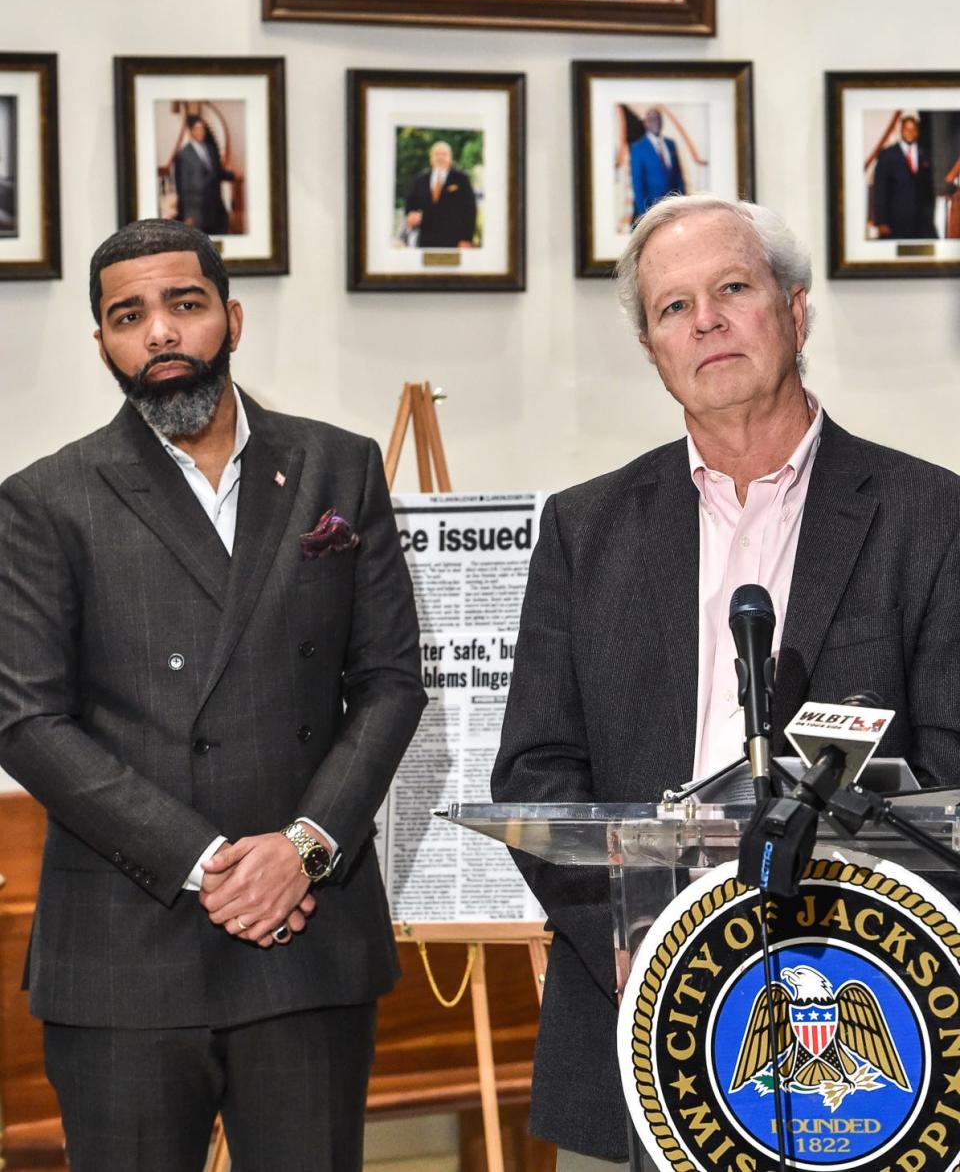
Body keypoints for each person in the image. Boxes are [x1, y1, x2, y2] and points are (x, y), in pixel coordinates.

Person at [492, 194, 960, 1168]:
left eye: (732, 288)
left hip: (867, 1004)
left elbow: (952, 766)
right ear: (655, 352)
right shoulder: (586, 531)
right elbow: (538, 771)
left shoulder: (931, 515)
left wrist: (861, 919)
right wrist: (621, 938)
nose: (703, 319)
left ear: (794, 310)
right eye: (672, 308)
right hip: (636, 1016)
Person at [0, 219, 426, 1172]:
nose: (159, 332)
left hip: (307, 933)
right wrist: (212, 863)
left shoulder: (336, 464)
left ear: (229, 317)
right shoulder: (44, 499)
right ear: (104, 342)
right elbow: (25, 720)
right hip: (125, 950)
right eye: (128, 315)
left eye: (183, 305)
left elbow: (391, 681)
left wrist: (304, 849)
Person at [871, 112, 937, 239]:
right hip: (894, 222)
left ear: (918, 132)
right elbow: (879, 190)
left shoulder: (924, 154)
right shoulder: (887, 154)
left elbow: (928, 190)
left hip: (920, 224)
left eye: (913, 129)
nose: (910, 132)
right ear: (901, 131)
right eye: (906, 129)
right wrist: (881, 221)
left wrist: (929, 217)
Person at [404, 139, 477, 248]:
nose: (440, 157)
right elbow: (410, 204)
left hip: (454, 241)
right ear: (431, 158)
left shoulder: (461, 179)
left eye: (444, 154)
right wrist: (410, 214)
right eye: (437, 154)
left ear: (450, 157)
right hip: (425, 240)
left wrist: (466, 239)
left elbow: (470, 210)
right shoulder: (420, 179)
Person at [173, 113, 235, 235]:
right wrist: (188, 215)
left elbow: (216, 172)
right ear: (191, 131)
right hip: (198, 210)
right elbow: (183, 188)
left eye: (202, 128)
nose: (200, 131)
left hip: (216, 206)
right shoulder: (184, 155)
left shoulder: (210, 149)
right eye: (197, 128)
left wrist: (232, 175)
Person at [628, 106, 686, 216]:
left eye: (659, 119)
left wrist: (682, 203)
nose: (656, 122)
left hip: (674, 206)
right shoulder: (638, 147)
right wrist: (644, 214)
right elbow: (637, 183)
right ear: (646, 123)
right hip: (652, 208)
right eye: (652, 119)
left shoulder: (671, 144)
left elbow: (678, 176)